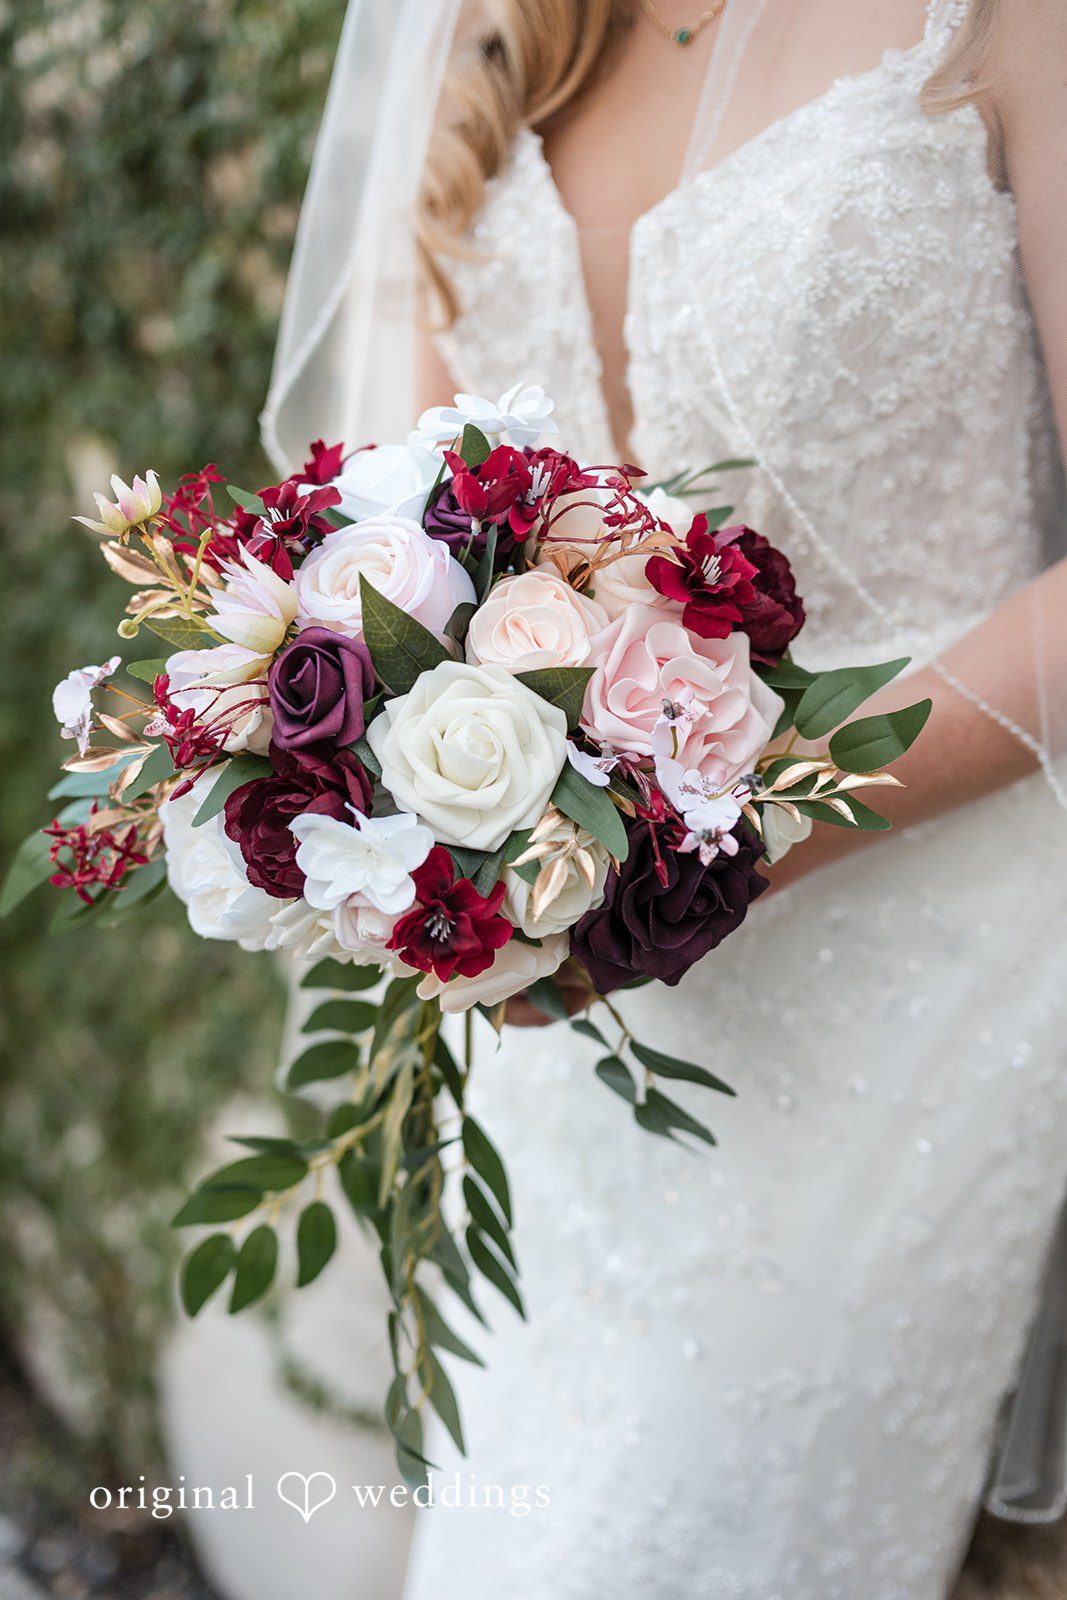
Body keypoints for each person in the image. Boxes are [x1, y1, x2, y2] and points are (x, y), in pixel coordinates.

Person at [255, 2, 1067, 1595]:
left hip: (920, 966)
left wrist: (735, 838)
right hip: (577, 1015)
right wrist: (401, 815)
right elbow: (397, 541)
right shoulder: (494, 39)